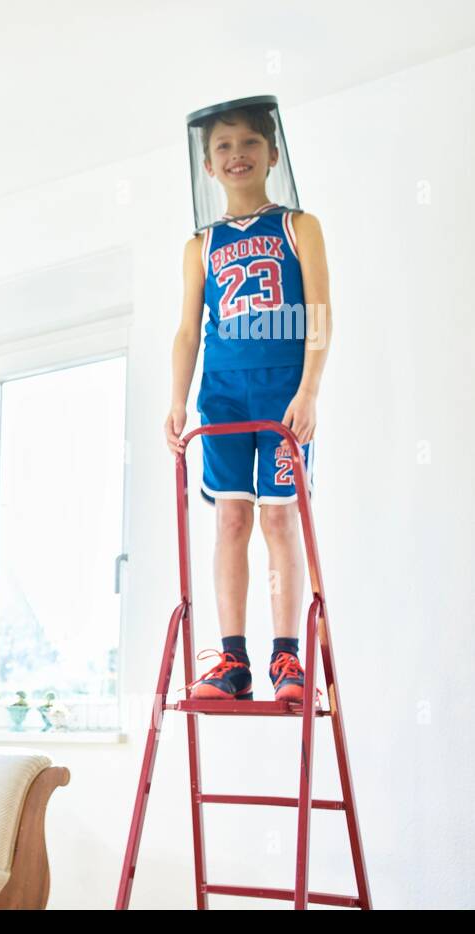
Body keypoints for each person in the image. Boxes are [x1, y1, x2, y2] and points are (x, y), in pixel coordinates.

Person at [164, 103, 332, 706]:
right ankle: (231, 659)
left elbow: (318, 312)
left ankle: (286, 654)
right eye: (224, 146)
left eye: (250, 142)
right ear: (208, 165)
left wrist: (309, 389)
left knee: (279, 518)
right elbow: (188, 331)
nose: (238, 153)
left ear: (272, 153)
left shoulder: (298, 225)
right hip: (224, 397)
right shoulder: (200, 244)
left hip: (282, 393)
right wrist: (178, 402)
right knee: (230, 520)